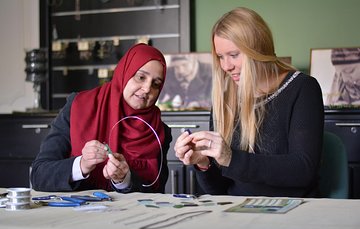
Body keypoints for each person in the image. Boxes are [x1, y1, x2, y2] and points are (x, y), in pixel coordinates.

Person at [174, 7, 324, 197]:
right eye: (220, 57)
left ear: (257, 49)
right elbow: (220, 191)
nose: (226, 66)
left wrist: (231, 158)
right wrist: (203, 164)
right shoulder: (224, 98)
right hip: (239, 211)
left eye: (234, 55)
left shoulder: (302, 88)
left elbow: (303, 170)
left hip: (294, 210)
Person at [31, 43, 172, 193]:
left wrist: (124, 180)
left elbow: (157, 192)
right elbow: (39, 175)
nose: (147, 89)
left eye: (156, 84)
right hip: (75, 213)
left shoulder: (158, 131)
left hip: (128, 215)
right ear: (125, 72)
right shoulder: (78, 106)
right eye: (140, 77)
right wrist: (82, 165)